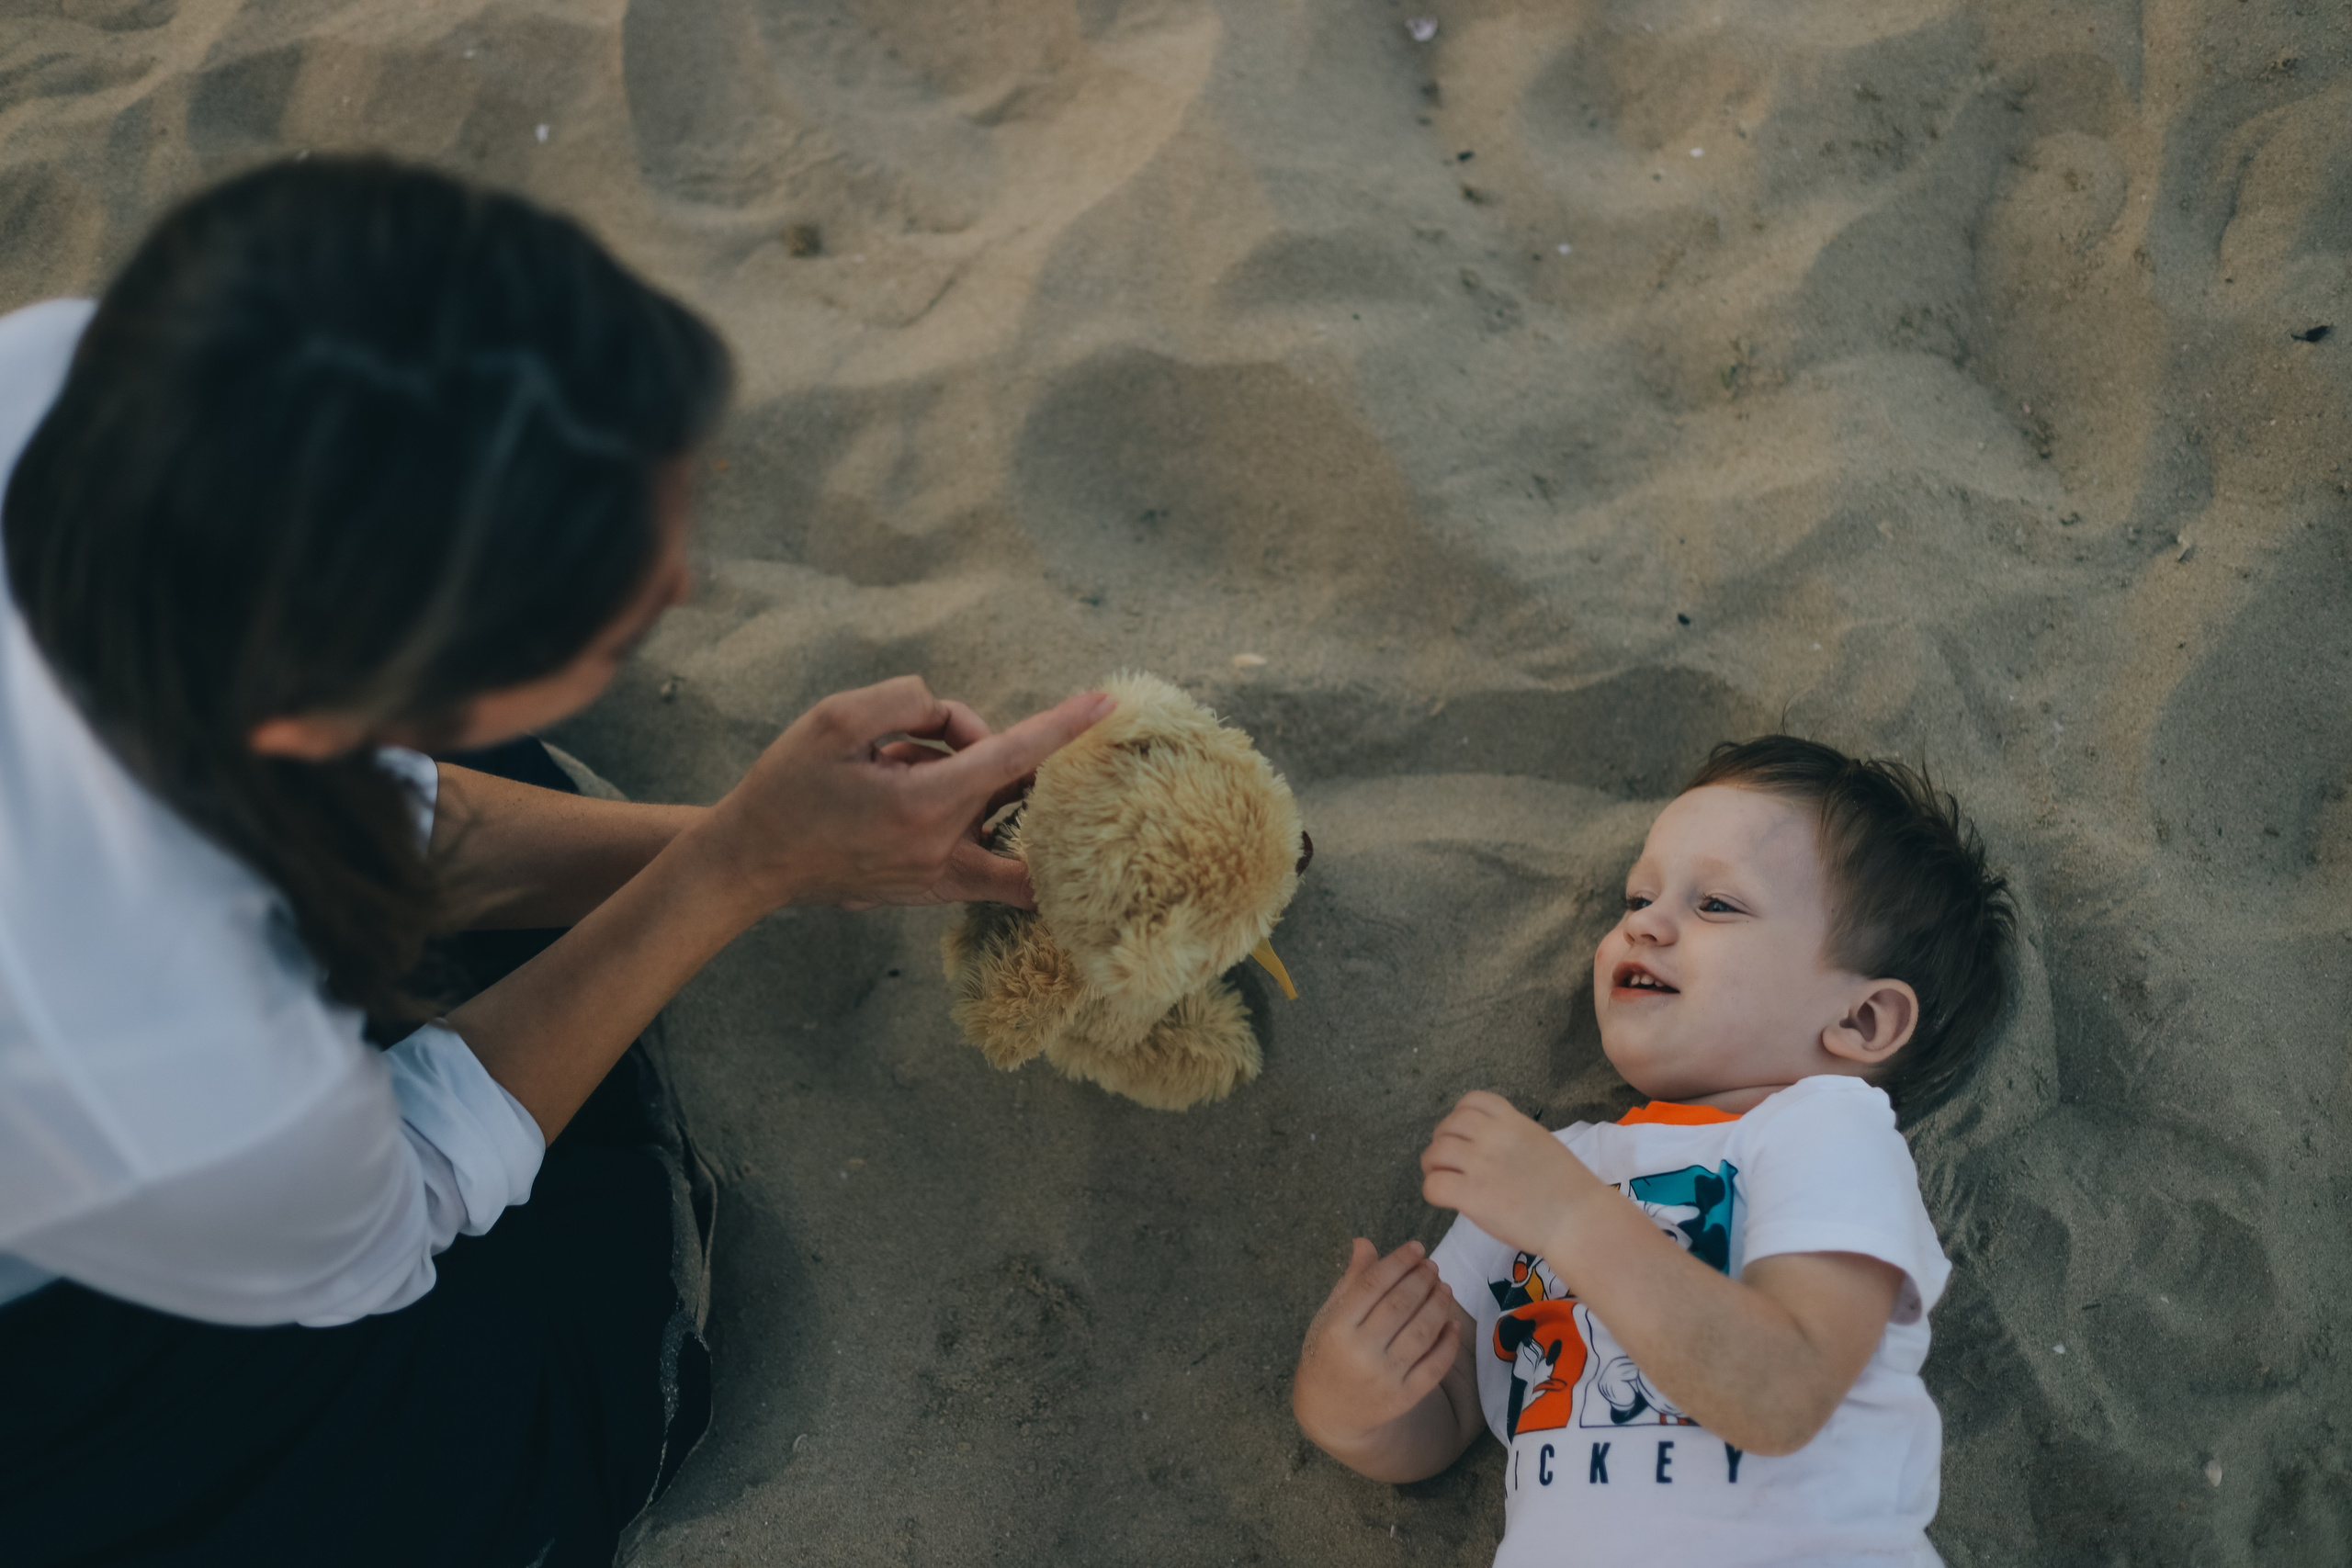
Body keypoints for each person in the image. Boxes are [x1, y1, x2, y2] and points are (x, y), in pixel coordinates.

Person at [0, 157, 1108, 1567]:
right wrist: (734, 875)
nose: (688, 590)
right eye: (620, 619)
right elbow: (407, 1197)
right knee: (528, 1354)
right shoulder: (182, 1052)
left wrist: (785, 847)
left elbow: (363, 798)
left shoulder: (56, 382)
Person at [1291, 739, 2016, 1566]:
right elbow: (1450, 1405)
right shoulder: (1554, 1161)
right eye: (1638, 893)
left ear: (1861, 1022)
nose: (1644, 920)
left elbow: (1782, 1393)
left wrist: (1568, 1215)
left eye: (1717, 905)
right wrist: (1349, 1399)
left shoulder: (1826, 1130)